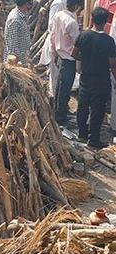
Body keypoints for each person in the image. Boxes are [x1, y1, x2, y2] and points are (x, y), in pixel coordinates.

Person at [74, 6, 116, 149]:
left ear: (92, 19)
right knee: (97, 110)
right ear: (105, 22)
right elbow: (112, 64)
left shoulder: (83, 36)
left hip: (86, 78)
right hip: (101, 80)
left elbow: (74, 54)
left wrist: (86, 58)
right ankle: (94, 139)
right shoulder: (109, 41)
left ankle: (82, 133)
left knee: (83, 106)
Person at [51, 0, 82, 125]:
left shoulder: (58, 16)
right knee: (65, 89)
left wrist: (54, 52)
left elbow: (52, 36)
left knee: (59, 87)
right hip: (68, 58)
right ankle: (61, 117)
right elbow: (78, 42)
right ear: (76, 7)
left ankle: (57, 113)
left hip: (60, 55)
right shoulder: (71, 22)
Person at [42, 0, 66, 98]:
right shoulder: (58, 4)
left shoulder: (64, 3)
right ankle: (54, 98)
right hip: (56, 42)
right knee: (55, 73)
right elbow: (52, 26)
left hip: (61, 43)